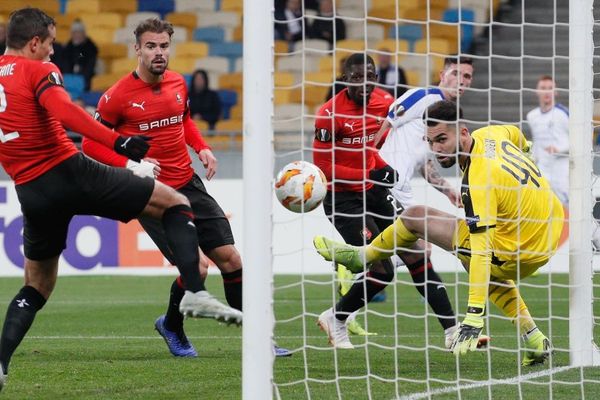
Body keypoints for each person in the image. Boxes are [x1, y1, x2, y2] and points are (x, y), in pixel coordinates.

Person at [0, 8, 241, 390]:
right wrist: (121, 144)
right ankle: (194, 294)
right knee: (174, 203)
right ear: (34, 42)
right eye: (49, 43)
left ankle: (1, 364)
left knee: (36, 286)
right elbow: (64, 110)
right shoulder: (40, 70)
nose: (51, 51)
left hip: (30, 190)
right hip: (69, 171)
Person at [81, 18, 289, 358]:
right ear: (137, 49)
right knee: (200, 268)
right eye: (151, 46)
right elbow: (90, 145)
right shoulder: (117, 97)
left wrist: (202, 147)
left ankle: (257, 341)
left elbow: (184, 120)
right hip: (152, 195)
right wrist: (131, 165)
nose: (158, 52)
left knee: (232, 260)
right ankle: (172, 325)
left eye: (163, 46)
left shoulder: (178, 82)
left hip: (189, 183)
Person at [314, 100, 562, 366]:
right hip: (550, 229)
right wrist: (523, 158)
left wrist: (474, 316)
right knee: (426, 224)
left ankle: (363, 256)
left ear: (463, 132)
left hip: (521, 254)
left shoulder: (479, 181)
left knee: (419, 221)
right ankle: (534, 337)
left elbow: (480, 253)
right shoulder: (493, 134)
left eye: (442, 139)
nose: (436, 149)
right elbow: (518, 138)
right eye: (430, 142)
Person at [313, 53, 473, 350]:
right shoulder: (330, 113)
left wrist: (442, 187)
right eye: (357, 78)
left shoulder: (388, 101)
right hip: (344, 198)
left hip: (377, 190)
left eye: (370, 77)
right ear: (345, 80)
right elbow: (325, 163)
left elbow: (385, 147)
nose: (365, 84)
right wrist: (375, 168)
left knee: (416, 255)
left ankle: (452, 331)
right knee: (383, 268)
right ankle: (340, 303)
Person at [370, 56, 473, 307]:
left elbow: (424, 163)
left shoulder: (443, 117)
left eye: (467, 76)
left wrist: (447, 189)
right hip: (387, 180)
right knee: (421, 247)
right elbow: (387, 121)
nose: (461, 81)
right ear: (443, 74)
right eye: (456, 73)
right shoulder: (425, 96)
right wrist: (368, 161)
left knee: (420, 249)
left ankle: (348, 296)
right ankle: (362, 265)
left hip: (402, 187)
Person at [526, 75, 568, 206]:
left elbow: (580, 140)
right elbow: (537, 141)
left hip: (562, 170)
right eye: (543, 88)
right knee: (544, 208)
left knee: (568, 209)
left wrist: (559, 149)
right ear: (537, 91)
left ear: (556, 92)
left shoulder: (564, 114)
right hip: (542, 170)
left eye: (550, 88)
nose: (547, 91)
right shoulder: (532, 116)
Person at [56, 20, 97, 91]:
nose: (77, 35)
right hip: (68, 80)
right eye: (74, 32)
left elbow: (90, 67)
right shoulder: (68, 48)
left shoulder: (91, 48)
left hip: (85, 80)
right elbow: (64, 64)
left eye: (79, 32)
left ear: (84, 33)